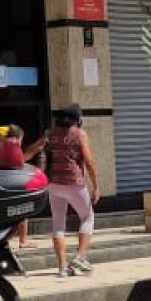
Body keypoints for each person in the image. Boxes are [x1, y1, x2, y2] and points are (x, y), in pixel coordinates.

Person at [39, 104, 100, 278]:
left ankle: (62, 267)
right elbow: (89, 162)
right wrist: (96, 186)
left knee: (58, 223)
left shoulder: (49, 133)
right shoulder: (79, 134)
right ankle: (80, 256)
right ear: (77, 119)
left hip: (53, 183)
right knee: (87, 217)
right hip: (74, 183)